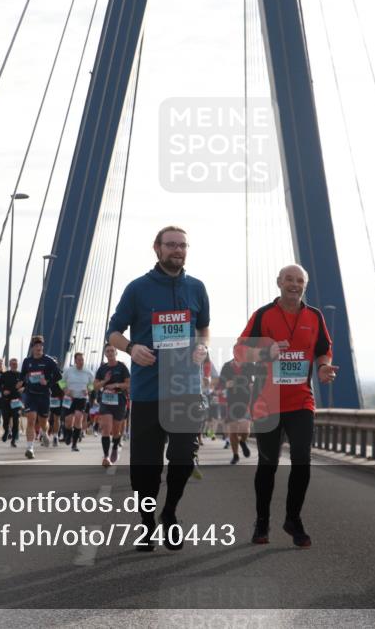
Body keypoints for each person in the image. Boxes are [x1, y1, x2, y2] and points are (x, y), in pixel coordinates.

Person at [107, 225, 210, 551]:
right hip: (149, 390)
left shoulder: (197, 288)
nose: (177, 250)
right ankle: (147, 523)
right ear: (157, 248)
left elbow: (204, 328)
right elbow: (113, 332)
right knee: (144, 471)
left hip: (186, 388)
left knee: (182, 456)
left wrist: (203, 348)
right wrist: (131, 347)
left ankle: (170, 513)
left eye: (182, 245)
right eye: (171, 245)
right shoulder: (137, 289)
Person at [234, 265, 335, 548]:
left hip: (301, 400)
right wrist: (264, 351)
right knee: (268, 464)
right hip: (268, 401)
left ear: (305, 285)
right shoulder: (263, 315)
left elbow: (323, 350)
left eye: (299, 280)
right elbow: (240, 350)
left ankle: (293, 518)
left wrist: (324, 368)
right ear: (278, 282)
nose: (294, 284)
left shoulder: (314, 316)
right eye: (289, 279)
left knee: (302, 459)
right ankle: (262, 522)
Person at [18, 336, 62, 459]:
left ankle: (44, 432)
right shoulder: (27, 361)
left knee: (43, 422)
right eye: (36, 345)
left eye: (41, 345)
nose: (39, 347)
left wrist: (47, 382)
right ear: (32, 347)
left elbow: (58, 377)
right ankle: (30, 448)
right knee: (31, 420)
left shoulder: (49, 361)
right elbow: (22, 376)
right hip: (30, 394)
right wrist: (20, 382)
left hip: (44, 395)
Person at [95, 344, 131, 467]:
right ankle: (106, 457)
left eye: (112, 351)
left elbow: (128, 384)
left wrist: (115, 385)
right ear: (105, 354)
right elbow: (95, 386)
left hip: (119, 400)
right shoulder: (102, 369)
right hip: (105, 401)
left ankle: (115, 447)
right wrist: (105, 381)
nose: (110, 353)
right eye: (107, 351)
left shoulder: (122, 367)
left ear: (116, 353)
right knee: (106, 428)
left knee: (116, 430)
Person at [218, 357, 255, 464]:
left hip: (246, 400)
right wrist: (226, 384)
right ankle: (235, 455)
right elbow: (221, 382)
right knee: (233, 429)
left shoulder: (249, 363)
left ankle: (243, 442)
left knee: (246, 428)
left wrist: (253, 385)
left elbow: (256, 378)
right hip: (232, 401)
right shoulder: (226, 366)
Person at [62, 352, 94, 451]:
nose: (81, 361)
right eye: (79, 359)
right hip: (69, 398)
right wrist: (66, 390)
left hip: (82, 398)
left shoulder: (89, 372)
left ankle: (74, 444)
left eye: (82, 360)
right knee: (68, 421)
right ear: (75, 360)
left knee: (79, 418)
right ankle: (68, 434)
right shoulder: (68, 371)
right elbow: (61, 382)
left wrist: (88, 390)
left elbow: (92, 385)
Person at [0, 357, 23, 447]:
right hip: (6, 400)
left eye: (15, 364)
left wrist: (23, 388)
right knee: (5, 420)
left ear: (17, 365)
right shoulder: (5, 374)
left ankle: (13, 440)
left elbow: (27, 385)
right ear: (9, 365)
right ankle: (6, 431)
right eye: (12, 364)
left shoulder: (21, 375)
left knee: (16, 420)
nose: (14, 365)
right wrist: (3, 391)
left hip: (16, 401)